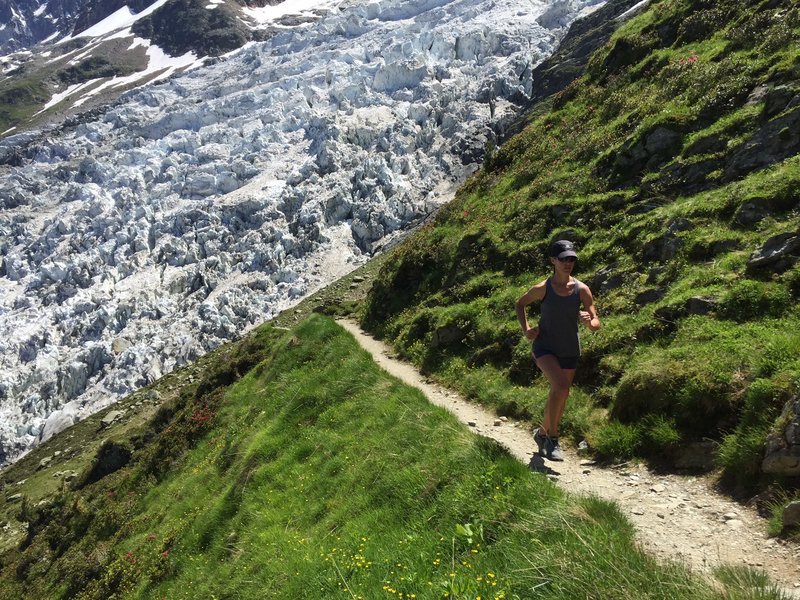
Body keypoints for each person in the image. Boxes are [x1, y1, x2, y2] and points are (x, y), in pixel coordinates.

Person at [515, 239, 601, 461]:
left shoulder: (582, 290)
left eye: (571, 259)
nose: (568, 263)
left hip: (570, 349)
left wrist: (589, 322)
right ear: (553, 260)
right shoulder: (543, 288)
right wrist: (526, 329)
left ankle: (542, 433)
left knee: (561, 394)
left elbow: (595, 321)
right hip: (544, 347)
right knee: (561, 386)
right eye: (563, 259)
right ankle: (553, 438)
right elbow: (520, 303)